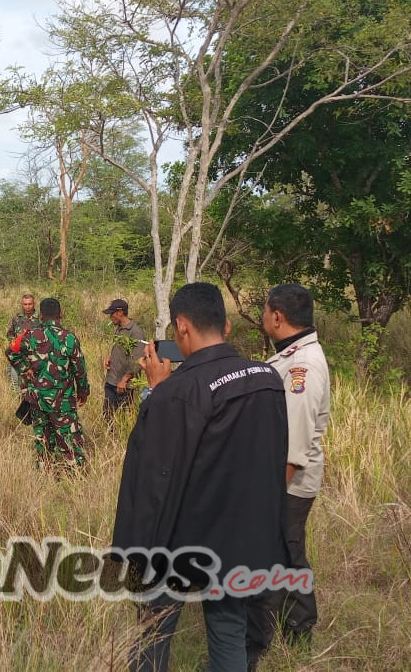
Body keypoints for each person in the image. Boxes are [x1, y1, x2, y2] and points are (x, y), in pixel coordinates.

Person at [112, 282, 288, 672]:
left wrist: (158, 390)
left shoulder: (178, 391)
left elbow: (155, 475)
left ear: (181, 327)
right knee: (229, 630)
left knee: (153, 632)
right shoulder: (268, 378)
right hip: (241, 537)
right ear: (224, 325)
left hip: (179, 540)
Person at [246, 283, 331, 665]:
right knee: (282, 552)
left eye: (265, 311)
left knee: (287, 552)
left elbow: (294, 441)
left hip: (289, 483)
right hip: (280, 476)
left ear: (277, 316)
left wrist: (269, 495)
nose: (264, 317)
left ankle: (297, 630)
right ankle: (277, 626)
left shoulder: (302, 367)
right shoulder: (291, 355)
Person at [5, 297, 90, 469]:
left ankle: (45, 471)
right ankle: (74, 474)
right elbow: (80, 369)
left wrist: (24, 369)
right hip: (63, 401)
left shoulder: (28, 336)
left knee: (43, 438)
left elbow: (10, 351)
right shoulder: (69, 338)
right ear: (61, 314)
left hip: (37, 400)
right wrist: (83, 391)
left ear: (41, 315)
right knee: (69, 439)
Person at [101, 298, 146, 426]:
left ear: (120, 312)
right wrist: (110, 358)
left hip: (123, 385)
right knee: (107, 413)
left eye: (112, 313)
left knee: (124, 417)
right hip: (112, 380)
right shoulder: (119, 329)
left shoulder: (136, 332)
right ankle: (112, 442)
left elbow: (137, 360)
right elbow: (120, 350)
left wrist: (125, 380)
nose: (111, 317)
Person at [6, 293, 41, 423]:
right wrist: (15, 341)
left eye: (30, 304)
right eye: (25, 304)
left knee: (33, 388)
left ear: (34, 304)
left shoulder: (40, 319)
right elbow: (10, 334)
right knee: (17, 386)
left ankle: (34, 414)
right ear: (22, 305)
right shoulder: (17, 318)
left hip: (34, 360)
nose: (27, 307)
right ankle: (23, 413)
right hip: (19, 359)